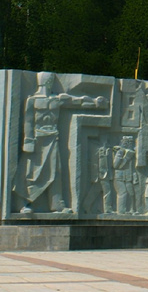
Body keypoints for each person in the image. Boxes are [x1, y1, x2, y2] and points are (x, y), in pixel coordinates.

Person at [13, 72, 107, 214]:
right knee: (31, 172)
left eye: (51, 79)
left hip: (52, 139)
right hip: (37, 140)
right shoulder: (32, 100)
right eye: (48, 78)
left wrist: (95, 102)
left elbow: (77, 101)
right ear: (42, 81)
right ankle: (23, 203)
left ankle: (57, 204)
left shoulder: (57, 98)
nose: (50, 81)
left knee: (56, 172)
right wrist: (28, 140)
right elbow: (28, 121)